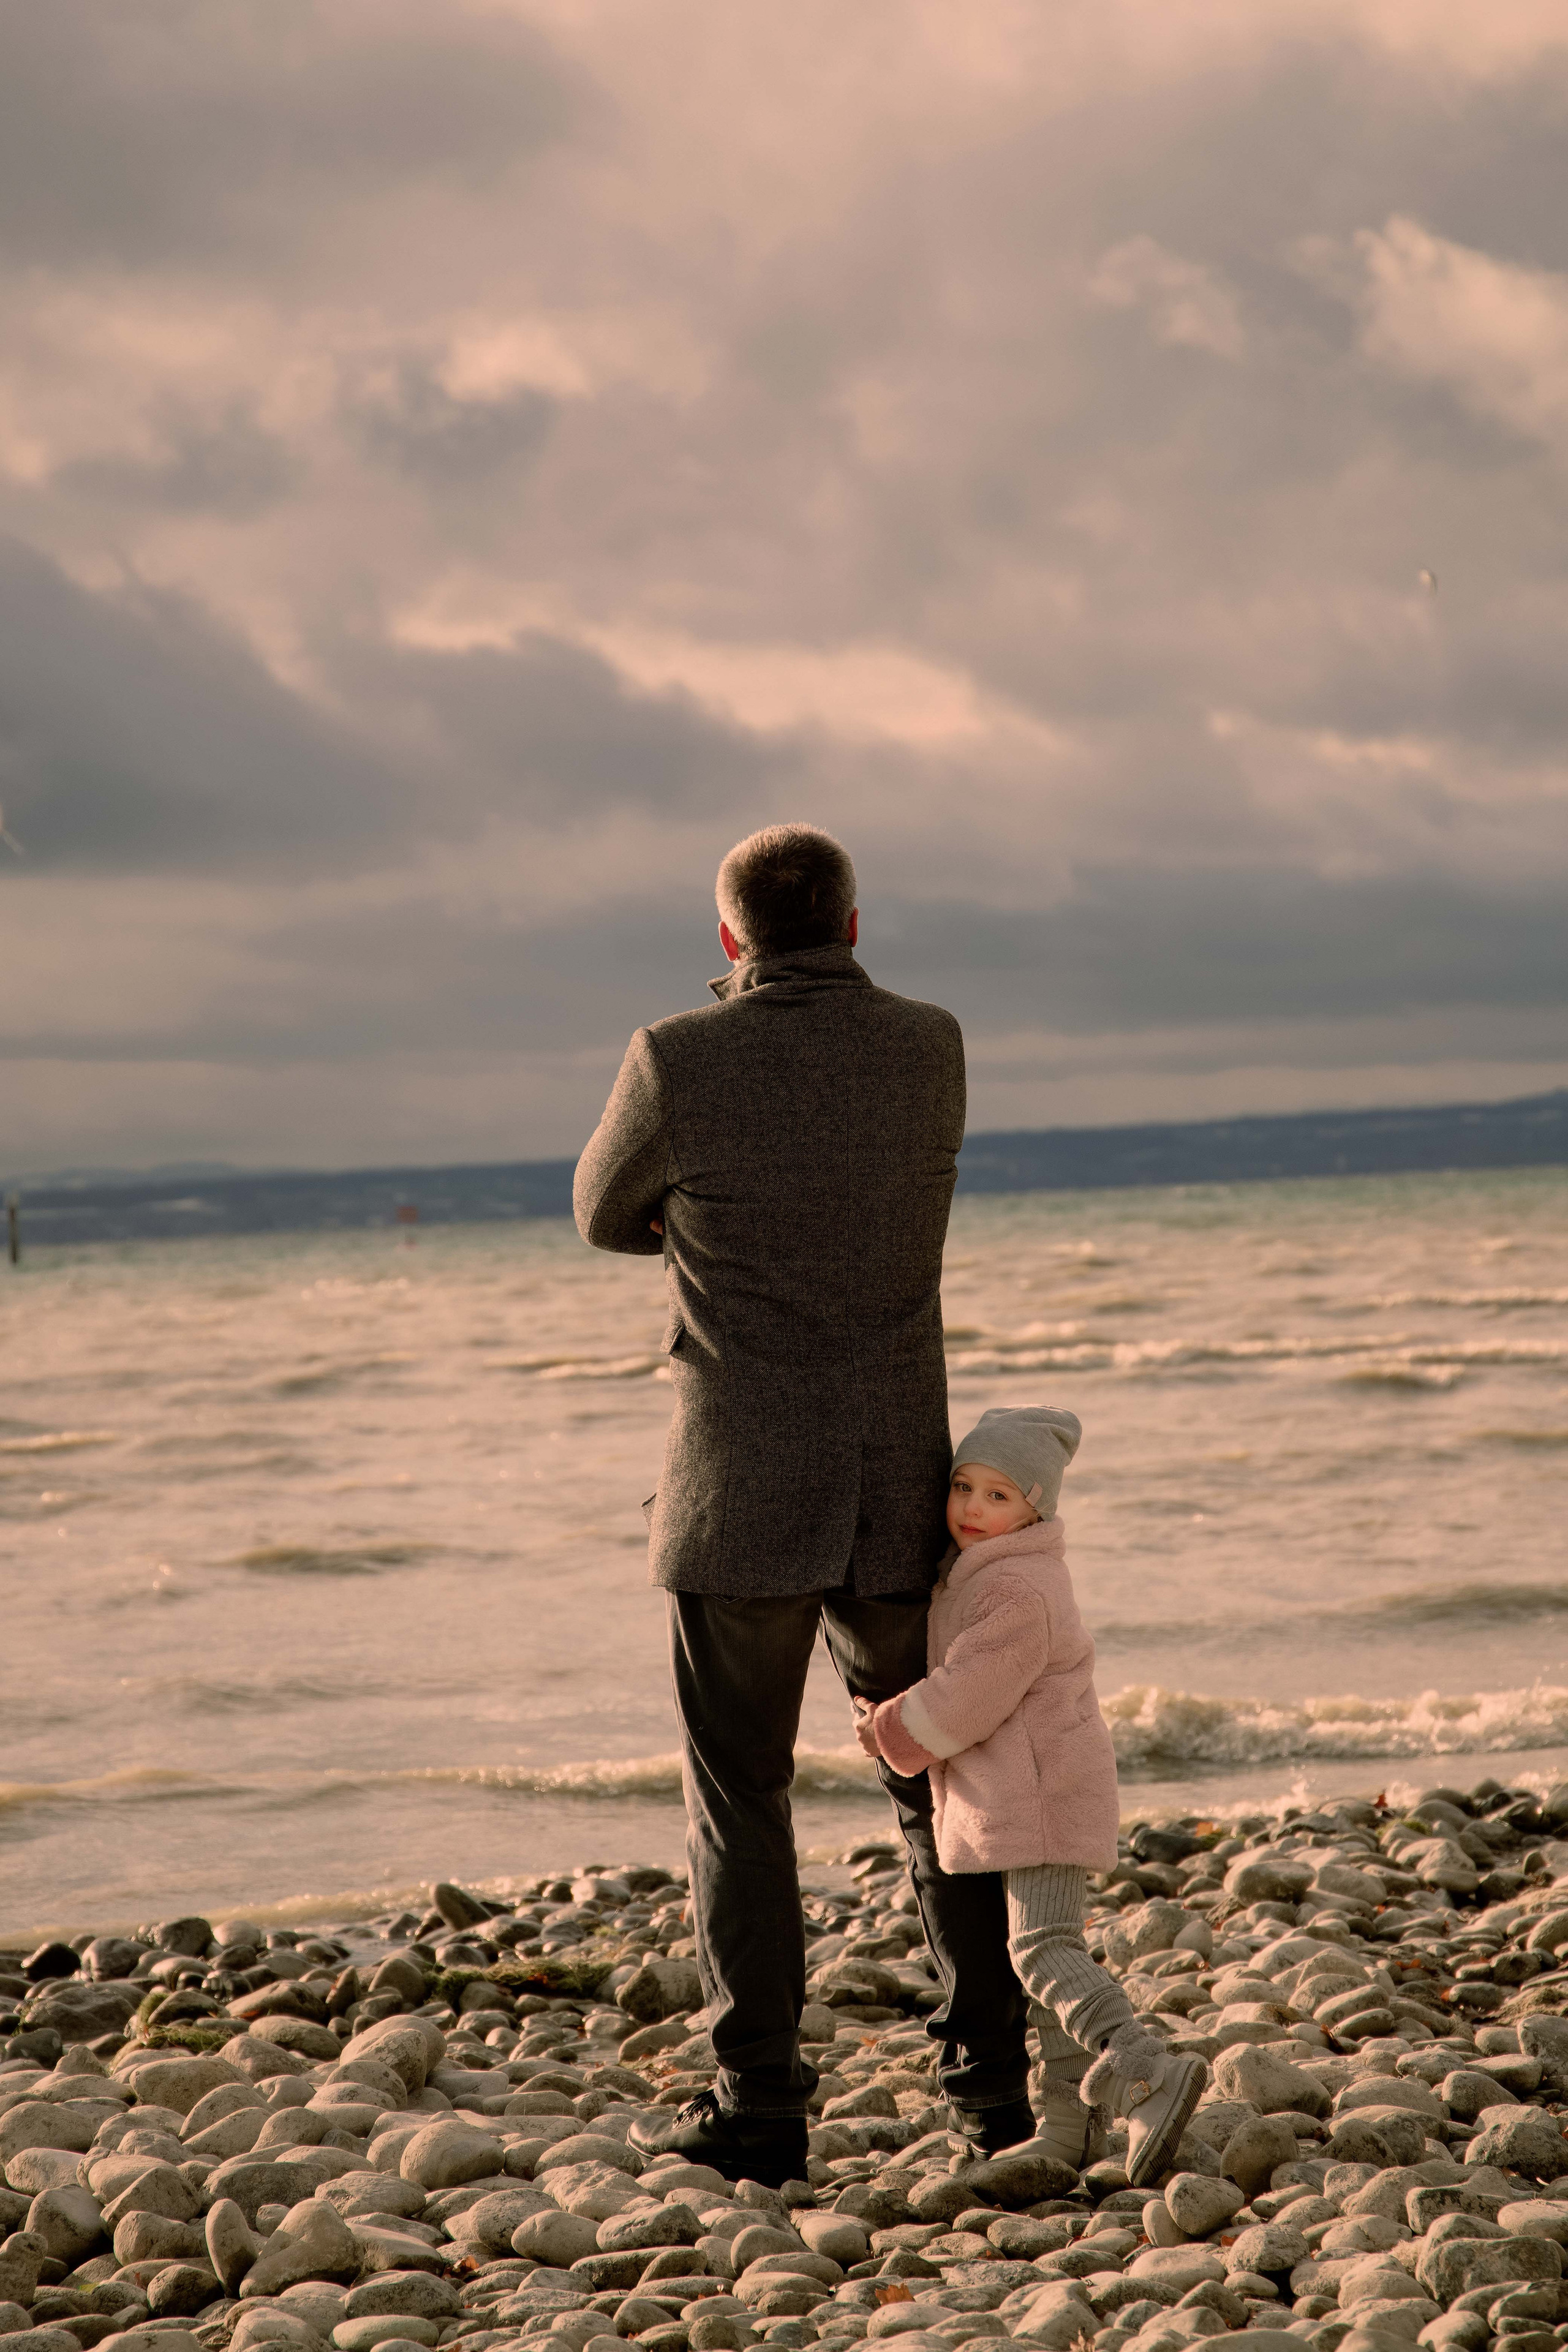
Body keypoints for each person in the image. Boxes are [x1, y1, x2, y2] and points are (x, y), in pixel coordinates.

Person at [573, 823, 1033, 2187]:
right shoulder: (928, 1043)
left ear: (729, 942)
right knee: (932, 1774)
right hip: (898, 1475)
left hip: (738, 1486)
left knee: (742, 1799)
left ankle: (762, 2107)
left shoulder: (678, 1057)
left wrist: (699, 1215)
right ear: (850, 921)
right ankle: (991, 2091)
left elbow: (604, 1211)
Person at [854, 1403, 1209, 2187]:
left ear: (1036, 1507)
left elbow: (966, 1694)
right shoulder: (993, 1572)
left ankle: (1143, 2065)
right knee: (1046, 1968)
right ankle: (1064, 2129)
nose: (973, 1510)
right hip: (1028, 1789)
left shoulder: (1019, 1590)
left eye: (998, 1496)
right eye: (964, 1488)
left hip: (1046, 1793)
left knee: (1040, 1950)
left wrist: (886, 1728)